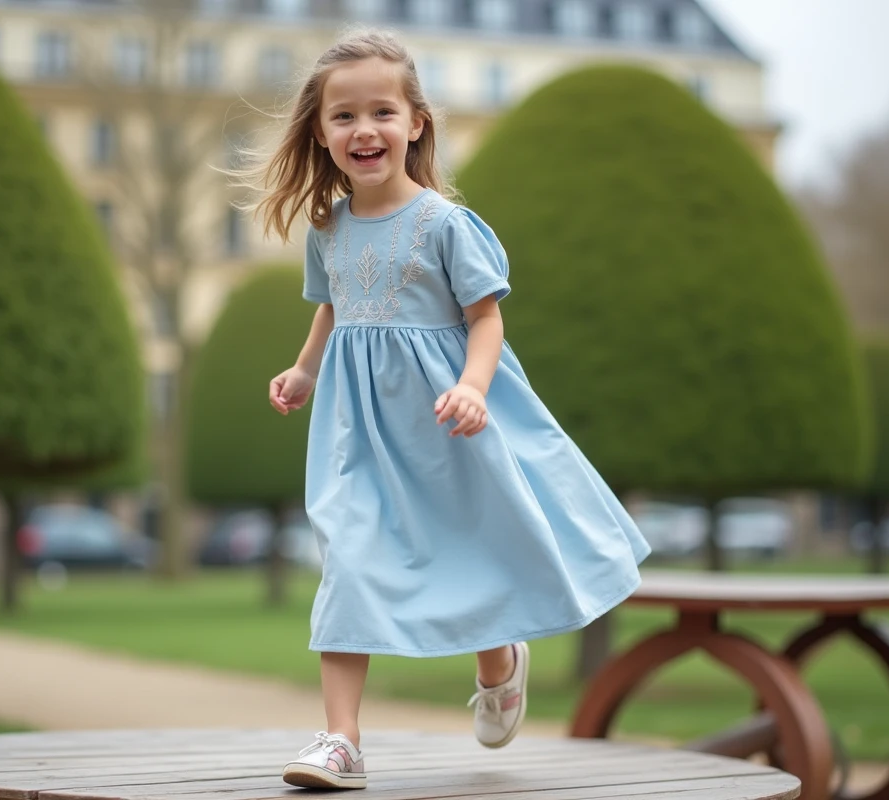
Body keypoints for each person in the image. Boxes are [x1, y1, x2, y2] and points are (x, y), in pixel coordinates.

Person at [241, 29, 651, 791]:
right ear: (322, 132)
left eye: (382, 112)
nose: (364, 130)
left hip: (443, 419)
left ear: (416, 123)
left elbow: (487, 318)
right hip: (357, 429)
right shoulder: (327, 226)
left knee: (474, 543)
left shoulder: (444, 225)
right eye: (344, 117)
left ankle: (499, 658)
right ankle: (341, 741)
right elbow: (333, 309)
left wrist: (471, 385)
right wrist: (303, 370)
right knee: (349, 560)